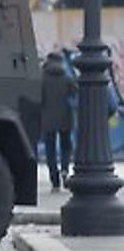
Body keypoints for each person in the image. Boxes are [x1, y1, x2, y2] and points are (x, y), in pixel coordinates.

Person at [41, 50, 77, 192]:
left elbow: (39, 99)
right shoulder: (66, 77)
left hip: (48, 118)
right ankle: (65, 169)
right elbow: (75, 92)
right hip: (65, 117)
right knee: (66, 146)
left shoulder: (42, 77)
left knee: (50, 150)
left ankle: (54, 181)